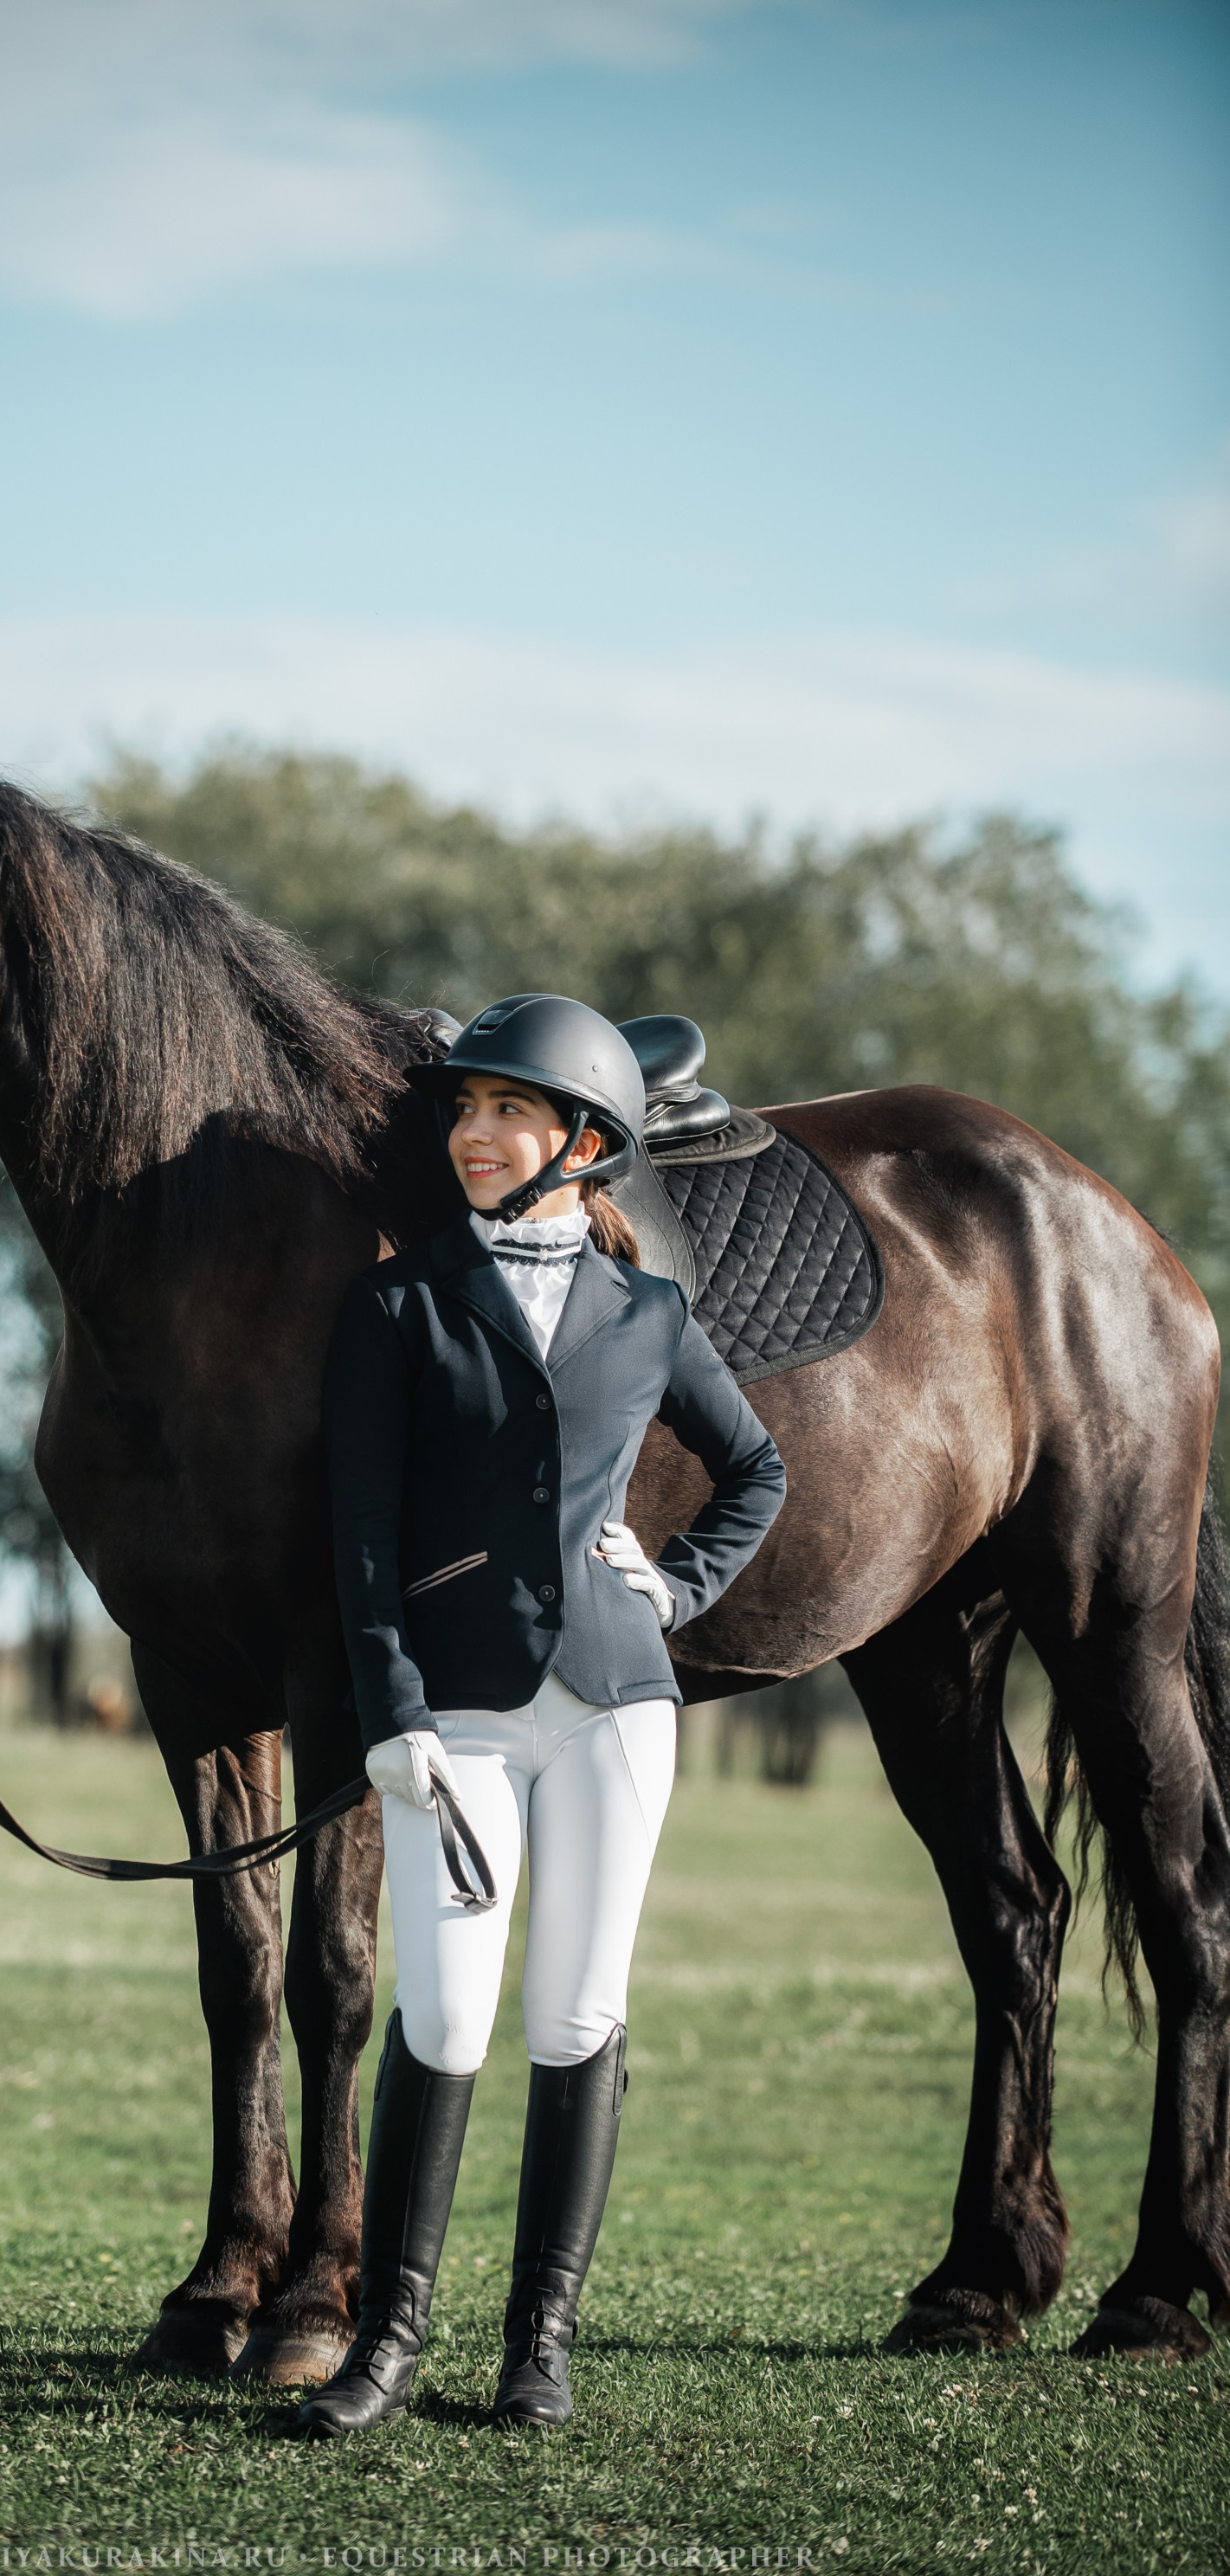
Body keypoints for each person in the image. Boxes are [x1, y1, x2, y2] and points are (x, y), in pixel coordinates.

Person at [296, 994, 786, 2438]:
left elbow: (753, 1469)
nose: (474, 1135)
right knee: (443, 2017)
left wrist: (680, 1587)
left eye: (506, 1112)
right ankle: (387, 2349)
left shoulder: (651, 1315)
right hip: (454, 1722)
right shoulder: (397, 1304)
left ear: (584, 1139)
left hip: (619, 1707)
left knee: (577, 2013)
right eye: (463, 1111)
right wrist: (393, 1713)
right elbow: (362, 1538)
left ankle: (540, 2351)